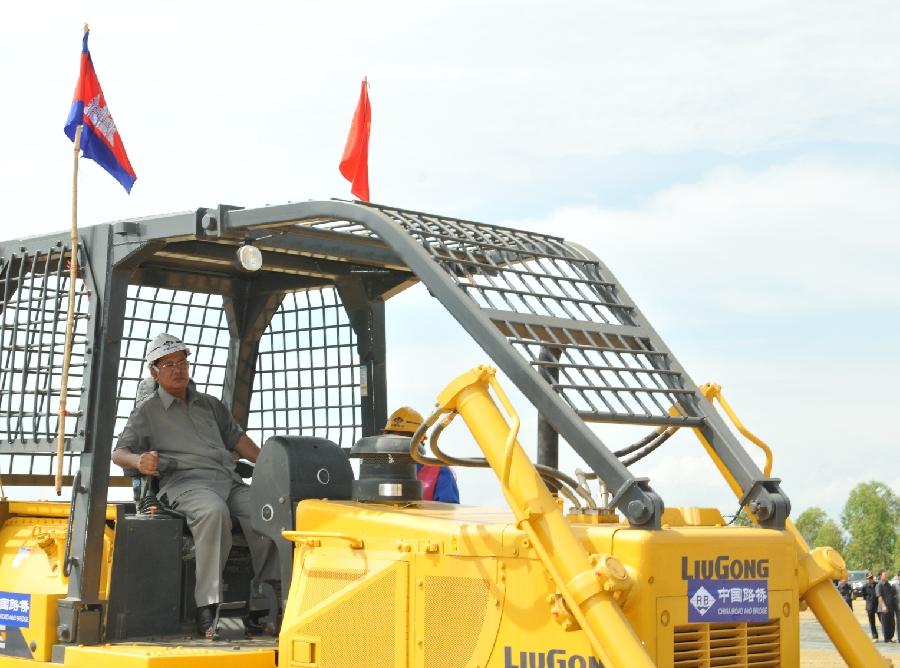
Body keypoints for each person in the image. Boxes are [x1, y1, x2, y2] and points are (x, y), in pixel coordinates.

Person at [112, 333, 274, 638]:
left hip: (228, 480)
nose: (178, 369)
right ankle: (208, 607)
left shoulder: (210, 405)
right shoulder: (146, 413)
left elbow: (238, 440)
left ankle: (264, 602)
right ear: (154, 372)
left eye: (182, 361)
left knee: (266, 511)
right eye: (169, 364)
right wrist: (138, 462)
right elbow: (118, 453)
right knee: (213, 513)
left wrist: (272, 465)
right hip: (186, 484)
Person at [383, 406, 460, 503]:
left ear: (421, 440)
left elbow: (449, 514)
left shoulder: (439, 472)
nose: (398, 444)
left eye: (406, 437)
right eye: (393, 437)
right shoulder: (378, 471)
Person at [876, 569, 896, 643]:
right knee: (885, 624)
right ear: (881, 576)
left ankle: (890, 638)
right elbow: (880, 597)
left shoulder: (888, 584)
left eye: (886, 575)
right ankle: (886, 638)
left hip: (891, 607)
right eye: (885, 575)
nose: (887, 576)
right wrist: (883, 606)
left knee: (892, 623)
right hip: (883, 608)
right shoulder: (879, 585)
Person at [864, 573, 880, 641]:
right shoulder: (864, 587)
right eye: (868, 578)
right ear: (866, 579)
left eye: (871, 578)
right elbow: (864, 596)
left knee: (882, 620)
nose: (870, 579)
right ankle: (875, 636)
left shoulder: (877, 585)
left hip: (878, 605)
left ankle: (887, 635)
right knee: (872, 622)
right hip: (870, 607)